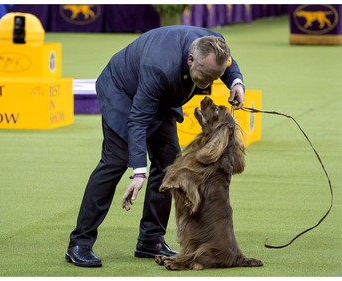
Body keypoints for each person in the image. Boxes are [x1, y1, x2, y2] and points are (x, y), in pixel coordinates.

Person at [65, 25, 245, 267]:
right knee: (115, 161)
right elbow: (137, 119)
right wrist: (138, 171)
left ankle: (150, 239)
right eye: (205, 76)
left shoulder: (215, 45)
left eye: (215, 77)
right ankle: (80, 242)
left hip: (163, 94)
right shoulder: (159, 67)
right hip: (123, 92)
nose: (208, 84)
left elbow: (228, 64)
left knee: (169, 163)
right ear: (191, 59)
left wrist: (235, 82)